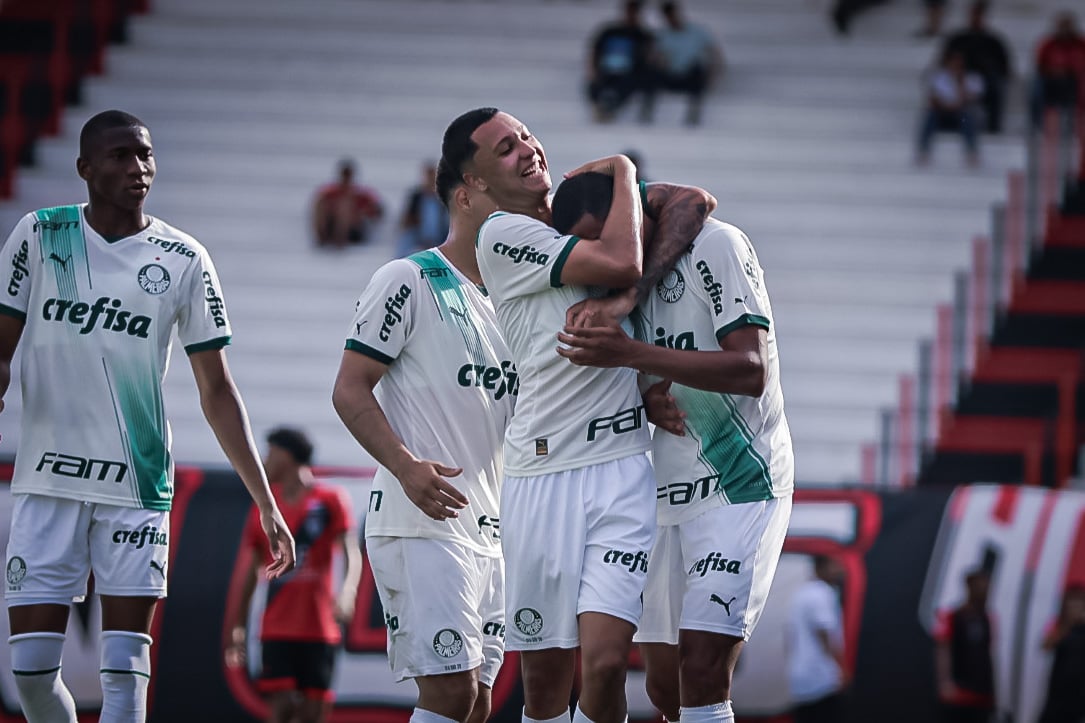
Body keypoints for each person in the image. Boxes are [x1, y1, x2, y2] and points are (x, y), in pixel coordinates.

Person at [0, 109, 295, 723]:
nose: (138, 168)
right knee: (29, 672)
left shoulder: (184, 258)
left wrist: (266, 501)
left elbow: (217, 390)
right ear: (84, 168)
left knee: (126, 674)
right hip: (46, 482)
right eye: (120, 156)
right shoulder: (39, 233)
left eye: (145, 155)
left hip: (135, 487)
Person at [440, 107, 715, 723]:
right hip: (541, 476)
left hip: (621, 468)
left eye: (526, 136)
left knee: (607, 665)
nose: (526, 150)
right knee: (544, 687)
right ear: (477, 182)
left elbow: (695, 201)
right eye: (504, 149)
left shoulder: (579, 205)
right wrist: (623, 167)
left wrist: (625, 306)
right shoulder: (502, 235)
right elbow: (622, 261)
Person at [550, 172, 794, 723]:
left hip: (739, 480)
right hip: (662, 493)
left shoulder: (718, 245)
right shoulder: (613, 277)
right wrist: (643, 397)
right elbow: (627, 378)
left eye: (609, 234)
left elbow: (750, 368)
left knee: (703, 670)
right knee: (664, 689)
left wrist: (635, 354)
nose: (608, 252)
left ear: (635, 215)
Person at [332, 158, 511, 723]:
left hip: (492, 525)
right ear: (466, 194)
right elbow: (349, 389)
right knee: (452, 695)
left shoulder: (517, 302)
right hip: (423, 519)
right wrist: (406, 466)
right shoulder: (407, 278)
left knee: (477, 704)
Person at [226, 428, 362, 723]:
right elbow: (252, 569)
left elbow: (351, 551)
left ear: (286, 456)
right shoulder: (266, 508)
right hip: (276, 627)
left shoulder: (329, 500)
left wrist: (348, 591)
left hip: (320, 627)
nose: (265, 461)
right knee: (282, 707)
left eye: (270, 453)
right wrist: (238, 624)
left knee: (314, 713)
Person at [785, 556, 847, 723]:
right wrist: (839, 668)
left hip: (799, 677)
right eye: (834, 566)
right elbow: (824, 633)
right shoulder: (822, 592)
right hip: (820, 677)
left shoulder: (800, 593)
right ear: (821, 568)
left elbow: (790, 637)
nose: (839, 571)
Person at [643, 1, 724, 126]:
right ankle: (646, 111)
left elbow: (715, 54)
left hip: (690, 76)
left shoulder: (697, 31)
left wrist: (713, 75)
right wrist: (658, 60)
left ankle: (694, 113)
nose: (672, 19)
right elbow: (652, 57)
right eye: (668, 16)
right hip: (670, 75)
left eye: (673, 15)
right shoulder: (662, 34)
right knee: (650, 73)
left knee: (698, 68)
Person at [933, 569, 996, 723]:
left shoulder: (987, 618)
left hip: (982, 693)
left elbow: (988, 654)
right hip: (960, 692)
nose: (984, 591)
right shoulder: (953, 616)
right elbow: (943, 649)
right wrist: (945, 682)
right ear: (969, 587)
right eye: (980, 587)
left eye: (986, 588)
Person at [941, 1, 1012, 133]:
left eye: (979, 15)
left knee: (995, 87)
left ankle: (993, 127)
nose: (976, 18)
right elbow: (943, 62)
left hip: (984, 81)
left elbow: (1005, 68)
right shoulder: (958, 39)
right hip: (960, 78)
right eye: (974, 14)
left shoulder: (993, 41)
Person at [586, 0, 655, 122]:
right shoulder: (610, 31)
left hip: (629, 74)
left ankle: (610, 110)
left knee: (629, 85)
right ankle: (600, 109)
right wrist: (592, 68)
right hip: (606, 70)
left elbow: (648, 57)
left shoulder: (642, 35)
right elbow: (595, 50)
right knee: (593, 85)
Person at [917, 48, 984, 167]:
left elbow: (973, 99)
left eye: (959, 62)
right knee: (930, 115)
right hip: (943, 113)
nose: (956, 65)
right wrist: (947, 105)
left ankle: (971, 152)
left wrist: (960, 83)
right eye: (953, 62)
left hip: (960, 116)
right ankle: (924, 151)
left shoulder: (971, 78)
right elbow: (933, 98)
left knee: (968, 116)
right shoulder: (939, 77)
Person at [1037, 585, 1085, 723]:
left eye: (1079, 603)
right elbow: (1045, 646)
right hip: (1057, 693)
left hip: (1078, 695)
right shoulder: (1058, 625)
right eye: (1072, 603)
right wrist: (1068, 626)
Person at [312, 158, 384, 249]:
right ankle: (321, 238)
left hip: (354, 230)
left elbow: (378, 211)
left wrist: (360, 213)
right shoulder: (329, 192)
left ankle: (340, 240)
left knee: (344, 205)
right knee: (322, 203)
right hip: (331, 227)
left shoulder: (362, 194)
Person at [1030, 11, 1085, 129]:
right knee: (1036, 87)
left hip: (1075, 81)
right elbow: (1040, 65)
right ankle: (1037, 124)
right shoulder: (1048, 44)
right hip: (1052, 80)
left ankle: (1078, 123)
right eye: (1062, 26)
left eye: (1067, 26)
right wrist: (1054, 72)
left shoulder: (1081, 43)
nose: (1065, 30)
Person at [395, 161, 449, 258]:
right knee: (406, 237)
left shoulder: (444, 197)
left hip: (441, 235)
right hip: (418, 234)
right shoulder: (416, 196)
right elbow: (405, 220)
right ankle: (400, 259)